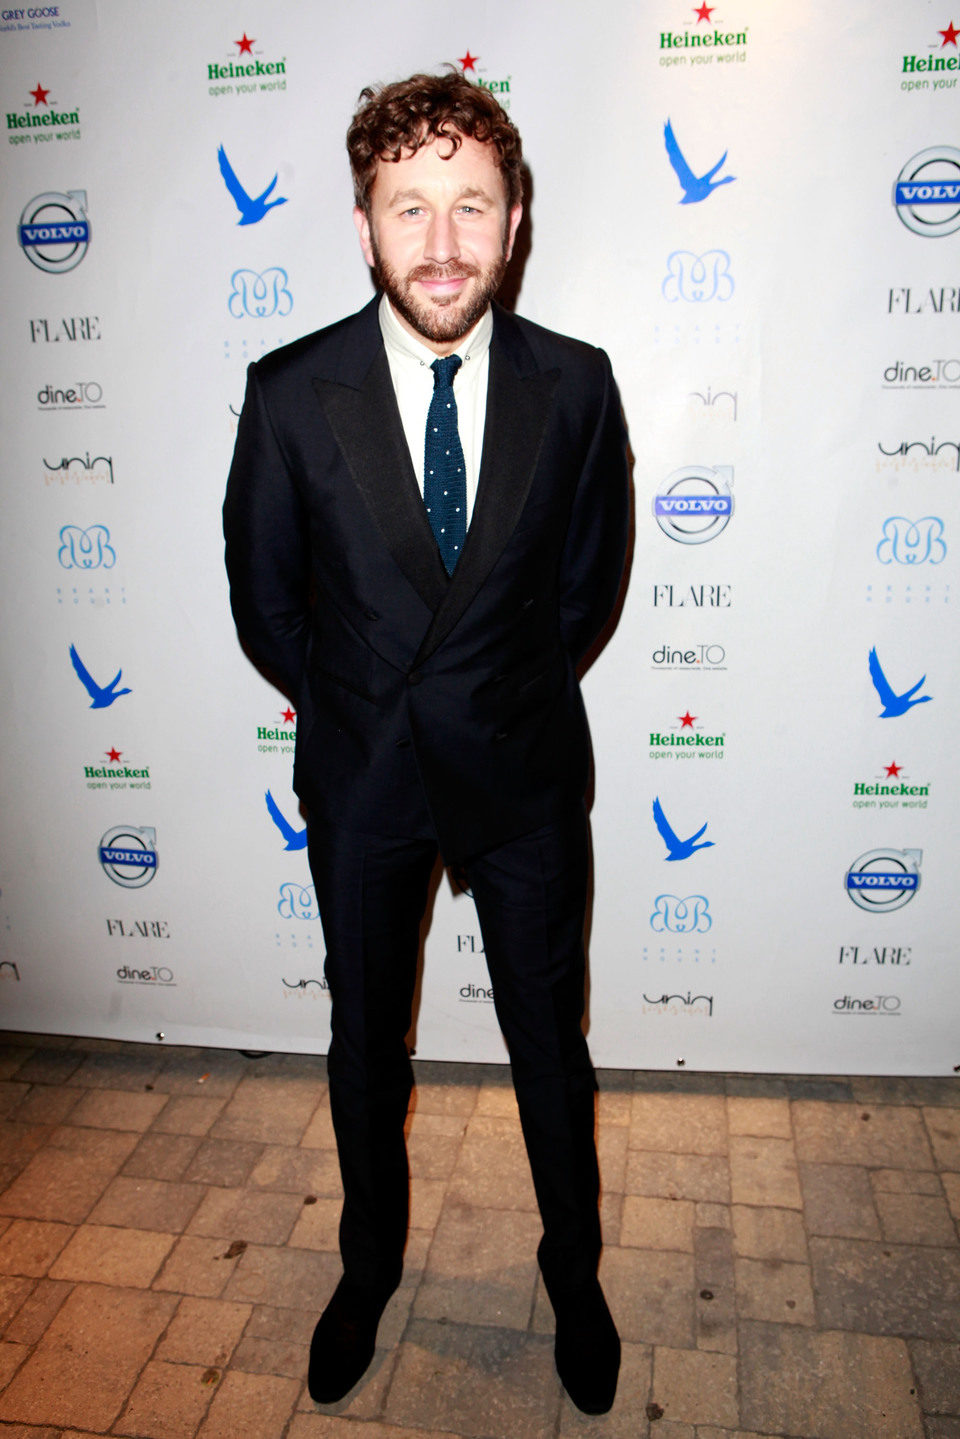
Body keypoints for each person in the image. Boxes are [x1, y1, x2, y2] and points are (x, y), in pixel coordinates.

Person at [223, 70, 629, 1415]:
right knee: (362, 1048)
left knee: (548, 1046)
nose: (443, 243)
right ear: (362, 226)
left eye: (472, 206)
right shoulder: (289, 396)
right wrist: (376, 716)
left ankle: (574, 1273)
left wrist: (489, 703)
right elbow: (270, 608)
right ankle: (367, 1267)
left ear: (514, 223)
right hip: (366, 782)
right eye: (411, 209)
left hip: (518, 776)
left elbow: (585, 589)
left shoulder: (576, 387)